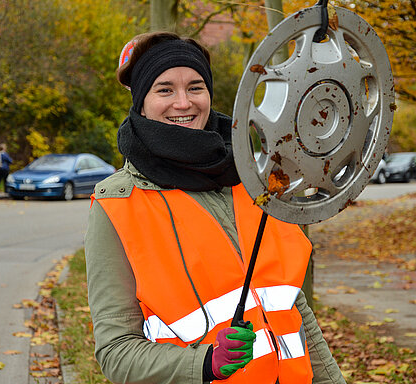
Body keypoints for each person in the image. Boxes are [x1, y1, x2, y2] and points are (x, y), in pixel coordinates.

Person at [84, 31, 347, 384]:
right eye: (165, 89)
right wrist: (205, 362)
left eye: (195, 87)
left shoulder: (252, 179)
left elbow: (293, 306)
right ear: (141, 103)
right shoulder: (118, 204)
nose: (183, 102)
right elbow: (116, 353)